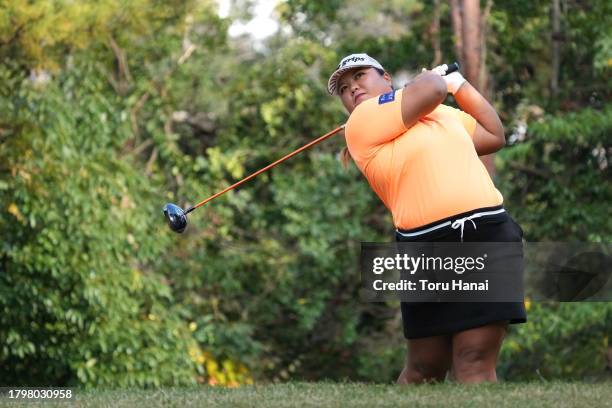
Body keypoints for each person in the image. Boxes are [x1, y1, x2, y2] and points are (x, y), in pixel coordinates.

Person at [327, 53, 527, 384]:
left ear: (386, 78)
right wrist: (434, 80)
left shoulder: (440, 114)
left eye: (360, 76)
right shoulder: (361, 122)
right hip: (424, 245)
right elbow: (433, 87)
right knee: (424, 369)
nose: (353, 88)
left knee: (474, 358)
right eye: (344, 88)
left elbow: (494, 135)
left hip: (485, 233)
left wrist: (459, 85)